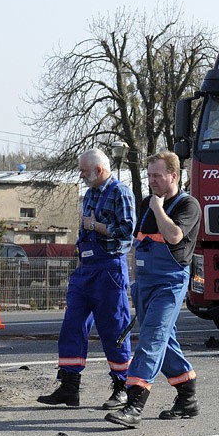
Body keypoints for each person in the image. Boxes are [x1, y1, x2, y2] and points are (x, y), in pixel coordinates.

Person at [105, 150, 202, 428]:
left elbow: (173, 236)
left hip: (169, 284)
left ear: (174, 176)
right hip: (144, 285)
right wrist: (134, 282)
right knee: (164, 341)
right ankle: (187, 397)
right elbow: (139, 244)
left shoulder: (188, 205)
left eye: (157, 175)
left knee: (151, 339)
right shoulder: (146, 203)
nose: (152, 181)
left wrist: (158, 207)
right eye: (149, 175)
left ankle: (134, 403)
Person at [37, 148, 135, 409]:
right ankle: (69, 387)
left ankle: (122, 388)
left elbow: (127, 232)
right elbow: (84, 228)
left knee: (113, 328)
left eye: (83, 170)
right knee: (72, 324)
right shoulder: (90, 194)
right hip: (85, 269)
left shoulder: (120, 192)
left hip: (109, 270)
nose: (80, 175)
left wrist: (95, 226)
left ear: (99, 170)